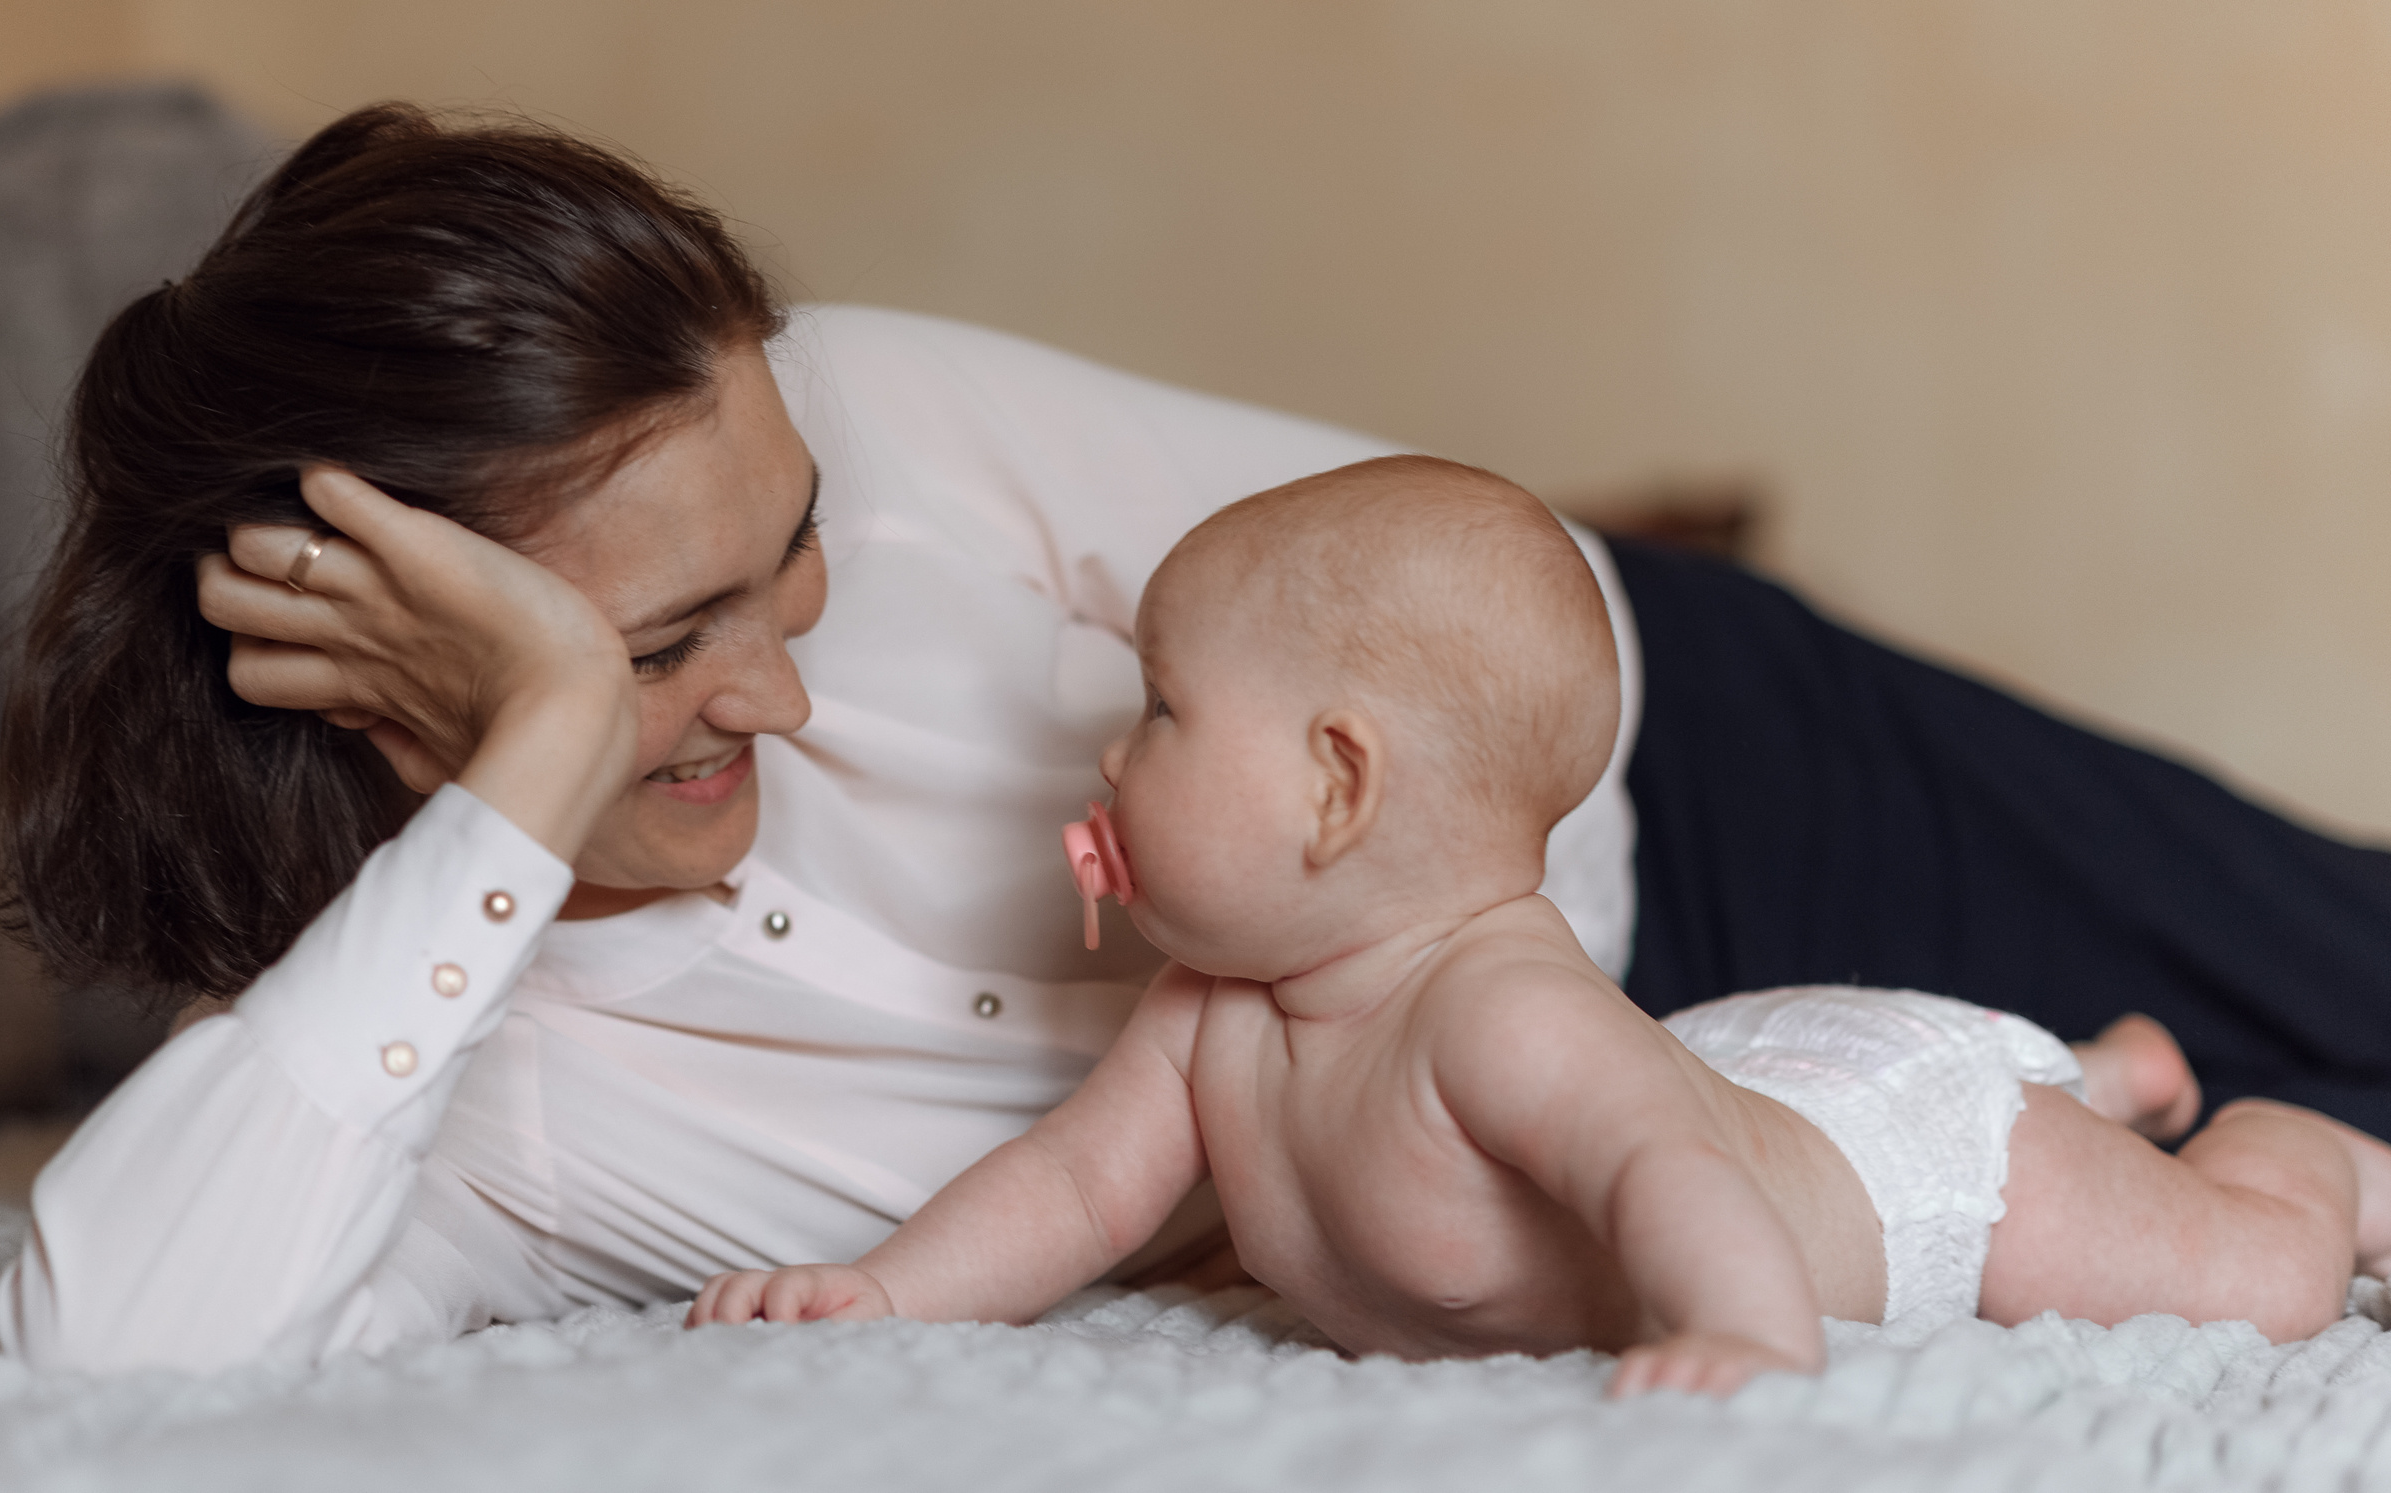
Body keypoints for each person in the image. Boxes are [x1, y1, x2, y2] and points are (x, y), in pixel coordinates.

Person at [0, 102, 2391, 1374]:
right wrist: (528, 775)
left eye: (794, 544)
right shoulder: (461, 1111)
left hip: (1683, 757)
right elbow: (111, 1338)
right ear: (399, 648)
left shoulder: (873, 408)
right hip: (1636, 1117)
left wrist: (1494, 1034)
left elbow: (1424, 602)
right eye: (669, 640)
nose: (797, 681)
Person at [685, 458, 2391, 1394]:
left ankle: (2295, 1147)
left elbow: (1672, 1178)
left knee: (2250, 1284)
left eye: (1164, 707)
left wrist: (1739, 1335)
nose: (1116, 753)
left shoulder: (1500, 1012)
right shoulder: (1214, 1009)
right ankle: (2111, 1071)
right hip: (1752, 1059)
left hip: (1899, 1154)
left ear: (1336, 788)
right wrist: (886, 1290)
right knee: (1737, 1099)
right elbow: (1067, 1187)